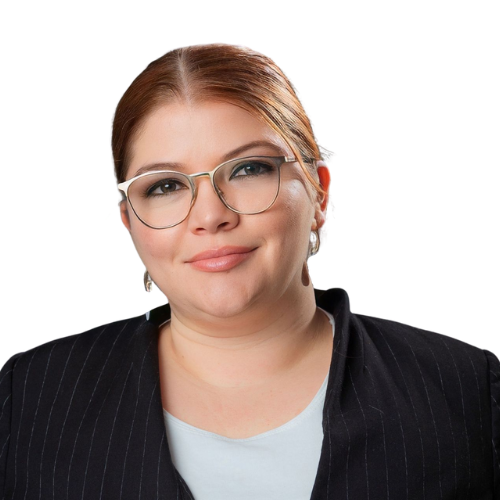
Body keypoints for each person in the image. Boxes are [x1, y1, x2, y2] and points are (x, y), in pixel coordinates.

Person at [0, 42, 498, 500]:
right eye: (165, 186)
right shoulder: (25, 397)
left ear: (319, 192)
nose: (210, 215)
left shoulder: (471, 391)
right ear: (129, 223)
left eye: (248, 169)